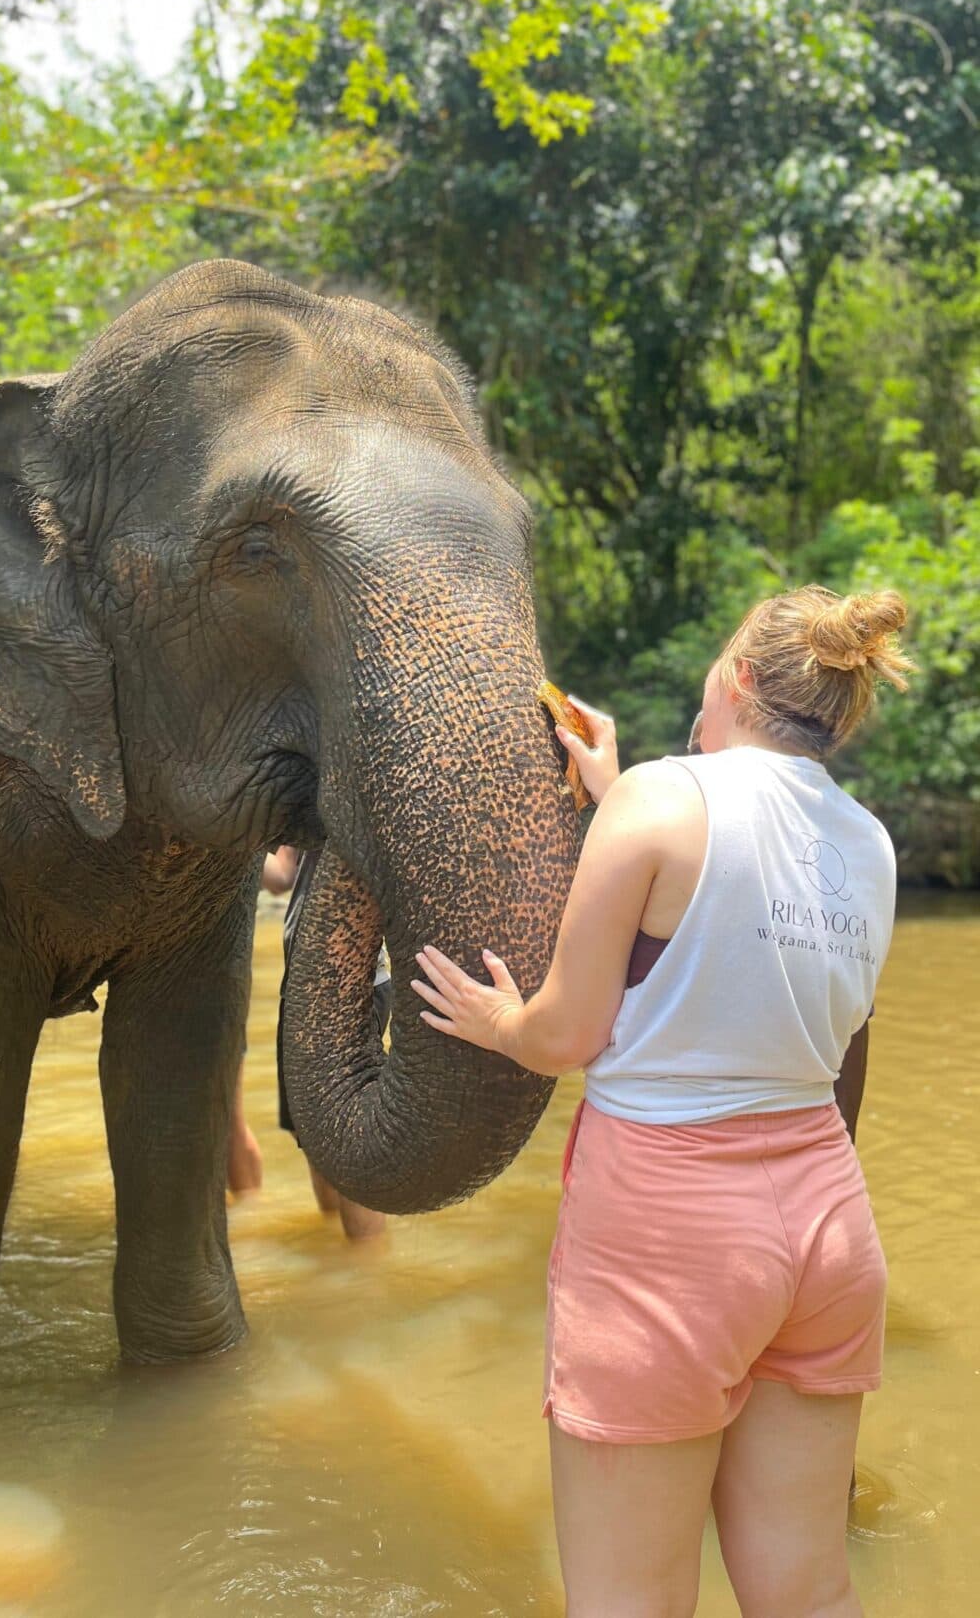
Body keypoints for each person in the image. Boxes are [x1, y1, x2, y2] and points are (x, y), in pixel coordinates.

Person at [413, 584, 912, 1618]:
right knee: (809, 1591)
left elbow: (564, 1036)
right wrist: (617, 792)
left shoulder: (659, 801)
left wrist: (496, 1019)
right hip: (827, 1231)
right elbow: (747, 908)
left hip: (670, 1237)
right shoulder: (868, 842)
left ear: (736, 677)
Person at [228, 844, 389, 1240]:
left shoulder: (365, 805)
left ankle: (366, 1264)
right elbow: (281, 876)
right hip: (303, 982)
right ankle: (338, 1253)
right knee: (314, 1135)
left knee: (348, 1136)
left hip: (351, 981)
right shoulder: (306, 805)